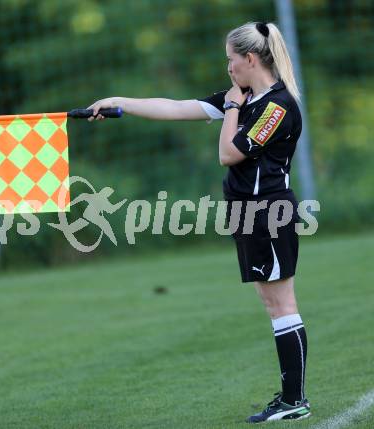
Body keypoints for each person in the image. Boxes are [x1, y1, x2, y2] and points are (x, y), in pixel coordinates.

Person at [87, 21, 310, 423]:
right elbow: (175, 108)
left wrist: (230, 108)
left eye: (230, 60)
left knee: (282, 303)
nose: (227, 69)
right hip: (247, 212)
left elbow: (228, 153)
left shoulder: (275, 106)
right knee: (271, 301)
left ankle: (294, 400)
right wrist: (117, 101)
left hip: (268, 211)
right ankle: (291, 397)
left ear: (250, 58)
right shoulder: (241, 99)